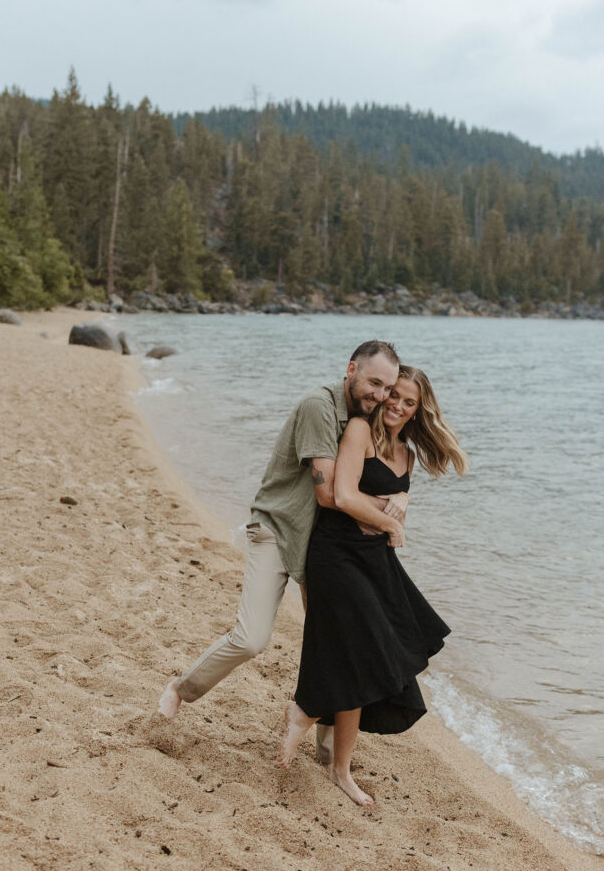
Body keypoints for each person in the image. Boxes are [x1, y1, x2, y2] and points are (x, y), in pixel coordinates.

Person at [158, 340, 408, 764]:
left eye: (387, 387)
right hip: (277, 530)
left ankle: (328, 752)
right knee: (252, 637)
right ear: (351, 369)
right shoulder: (319, 406)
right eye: (374, 383)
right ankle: (180, 689)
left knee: (338, 642)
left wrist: (403, 500)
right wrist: (389, 517)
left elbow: (390, 471)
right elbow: (330, 495)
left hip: (323, 544)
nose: (381, 395)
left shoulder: (365, 421)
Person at [278, 365, 468, 806]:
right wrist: (389, 518)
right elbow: (341, 495)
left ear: (419, 410)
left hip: (376, 561)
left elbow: (390, 502)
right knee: (363, 651)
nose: (398, 406)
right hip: (336, 554)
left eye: (409, 402)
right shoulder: (360, 430)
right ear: (382, 395)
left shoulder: (408, 454)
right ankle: (305, 710)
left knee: (367, 659)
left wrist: (403, 499)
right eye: (394, 395)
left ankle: (340, 770)